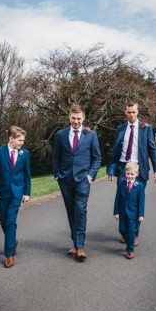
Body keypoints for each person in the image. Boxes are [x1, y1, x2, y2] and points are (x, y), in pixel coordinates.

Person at [52, 104, 102, 261]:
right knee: (71, 211)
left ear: (84, 118)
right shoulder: (61, 135)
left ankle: (80, 247)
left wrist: (90, 176)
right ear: (69, 117)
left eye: (79, 118)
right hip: (65, 180)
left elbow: (97, 158)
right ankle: (76, 243)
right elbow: (56, 157)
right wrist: (57, 176)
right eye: (73, 118)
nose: (76, 121)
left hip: (82, 180)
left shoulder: (91, 135)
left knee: (80, 210)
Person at [107, 102, 156, 245]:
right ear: (125, 112)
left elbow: (152, 149)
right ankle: (125, 231)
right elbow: (116, 151)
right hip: (123, 169)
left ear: (138, 112)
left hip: (139, 170)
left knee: (135, 202)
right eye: (129, 112)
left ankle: (134, 234)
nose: (131, 115)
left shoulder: (146, 128)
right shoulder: (120, 129)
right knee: (123, 200)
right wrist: (111, 169)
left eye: (134, 112)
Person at [0, 126, 31, 268]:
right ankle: (12, 242)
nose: (22, 143)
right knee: (3, 221)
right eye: (20, 140)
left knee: (10, 222)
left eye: (23, 140)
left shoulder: (24, 154)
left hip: (16, 193)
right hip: (1, 193)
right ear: (11, 138)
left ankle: (9, 255)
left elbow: (27, 175)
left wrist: (26, 193)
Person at [113, 161, 145, 260]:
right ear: (125, 173)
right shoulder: (122, 184)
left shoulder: (139, 186)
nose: (130, 176)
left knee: (131, 231)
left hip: (133, 213)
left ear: (136, 174)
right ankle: (130, 240)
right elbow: (117, 198)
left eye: (132, 174)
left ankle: (130, 250)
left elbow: (141, 201)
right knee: (122, 229)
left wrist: (141, 214)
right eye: (128, 173)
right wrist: (116, 211)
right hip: (122, 212)